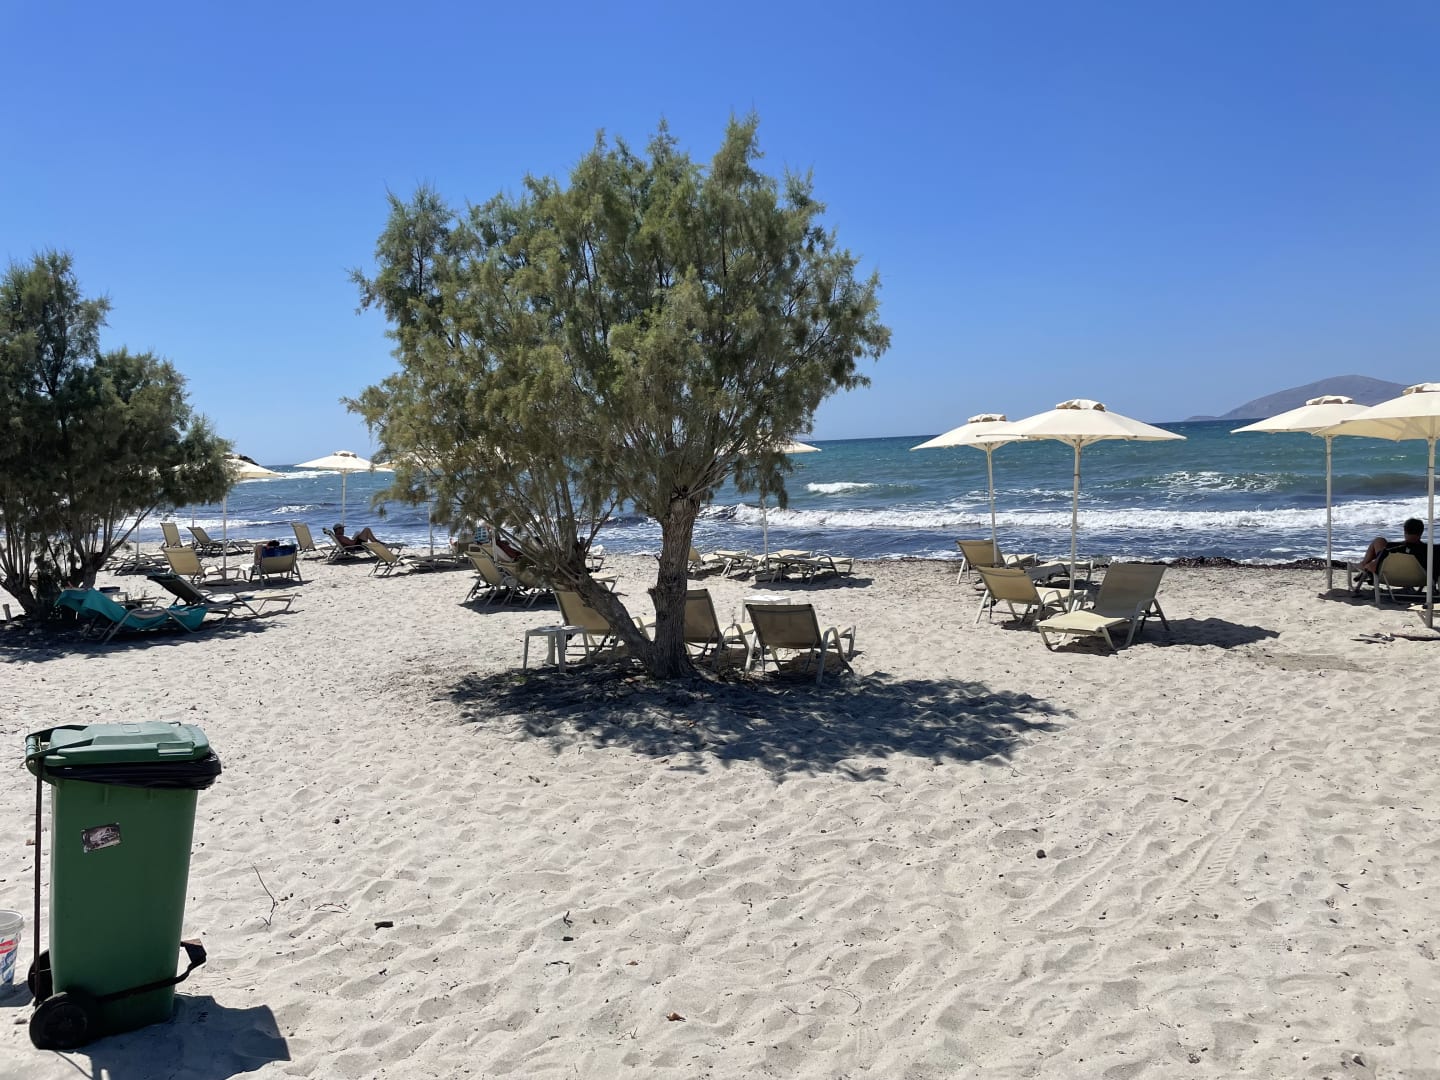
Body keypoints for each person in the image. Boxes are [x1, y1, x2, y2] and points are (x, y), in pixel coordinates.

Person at [1354, 517, 1434, 592]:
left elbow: (1373, 567)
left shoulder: (1390, 548)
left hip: (1389, 577)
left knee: (1379, 540)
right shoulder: (1431, 550)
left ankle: (1363, 565)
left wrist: (1371, 564)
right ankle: (1364, 565)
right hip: (1421, 579)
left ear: (1405, 531)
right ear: (1421, 532)